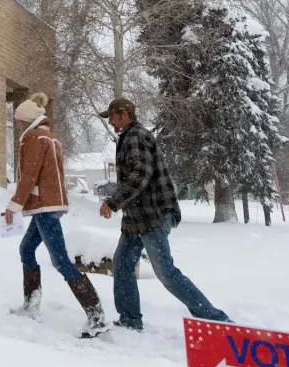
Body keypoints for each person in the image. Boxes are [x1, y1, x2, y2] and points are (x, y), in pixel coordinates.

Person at [97, 98, 231, 329]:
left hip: (153, 215)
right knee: (121, 265)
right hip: (136, 218)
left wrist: (113, 202)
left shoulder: (137, 136)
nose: (110, 121)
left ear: (125, 115)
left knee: (166, 273)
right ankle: (130, 319)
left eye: (113, 116)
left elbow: (141, 175)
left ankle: (216, 321)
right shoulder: (128, 137)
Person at [3, 92, 109, 338]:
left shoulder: (34, 138)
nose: (17, 124)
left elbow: (29, 176)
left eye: (18, 120)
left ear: (27, 120)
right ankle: (31, 304)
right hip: (52, 205)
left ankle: (97, 318)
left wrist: (14, 204)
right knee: (27, 249)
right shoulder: (49, 138)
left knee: (61, 261)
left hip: (45, 207)